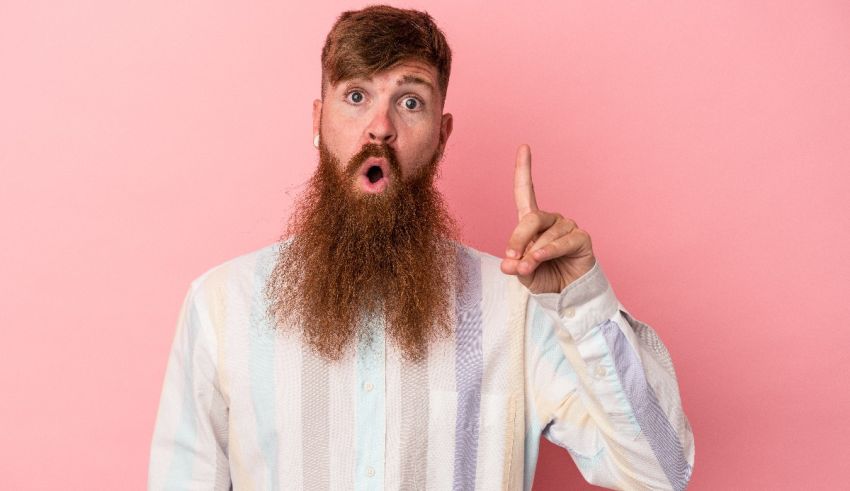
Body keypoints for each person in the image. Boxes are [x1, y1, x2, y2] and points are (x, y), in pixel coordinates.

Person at [148, 5, 695, 490]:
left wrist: (580, 301)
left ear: (442, 135)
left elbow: (659, 472)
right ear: (318, 122)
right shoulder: (220, 306)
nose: (379, 127)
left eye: (410, 101)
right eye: (356, 96)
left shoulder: (520, 309)